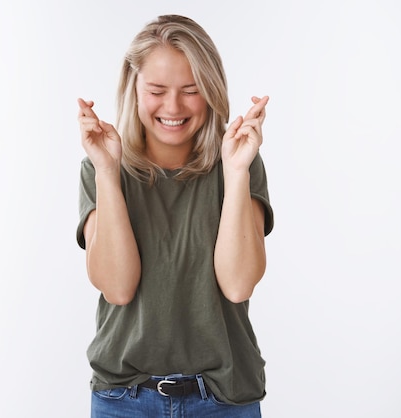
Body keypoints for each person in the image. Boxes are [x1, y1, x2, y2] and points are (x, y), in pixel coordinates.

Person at [76, 14, 274, 418]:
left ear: (211, 90)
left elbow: (238, 285)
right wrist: (108, 173)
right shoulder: (99, 168)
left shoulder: (241, 164)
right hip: (124, 400)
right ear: (134, 88)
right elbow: (117, 288)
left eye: (190, 90)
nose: (173, 107)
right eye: (157, 90)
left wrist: (235, 173)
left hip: (223, 399)